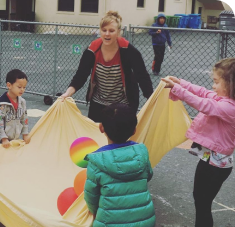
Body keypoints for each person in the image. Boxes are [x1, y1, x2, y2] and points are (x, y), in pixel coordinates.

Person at [161, 58, 235, 227]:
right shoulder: (223, 99)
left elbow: (202, 103)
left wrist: (177, 89)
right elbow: (202, 92)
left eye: (216, 82)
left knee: (202, 203)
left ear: (231, 85)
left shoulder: (229, 107)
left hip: (215, 166)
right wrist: (181, 83)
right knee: (201, 201)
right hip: (212, 161)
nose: (213, 87)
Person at [61, 11, 153, 123]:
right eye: (104, 30)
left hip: (123, 104)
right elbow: (81, 75)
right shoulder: (92, 50)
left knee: (119, 138)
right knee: (96, 136)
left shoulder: (128, 51)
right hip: (98, 103)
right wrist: (67, 93)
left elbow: (142, 76)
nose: (107, 34)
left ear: (118, 32)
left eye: (111, 30)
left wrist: (151, 99)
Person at [83, 103, 155, 226]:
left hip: (108, 222)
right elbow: (149, 175)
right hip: (145, 221)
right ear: (134, 130)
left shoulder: (97, 161)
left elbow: (91, 196)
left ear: (101, 128)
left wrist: (95, 212)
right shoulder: (141, 153)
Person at [0, 69, 30, 148]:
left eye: (24, 87)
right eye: (19, 87)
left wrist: (25, 134)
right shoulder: (2, 105)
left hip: (15, 139)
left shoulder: (22, 102)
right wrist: (3, 138)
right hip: (2, 141)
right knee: (1, 159)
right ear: (9, 85)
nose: (22, 89)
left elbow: (24, 119)